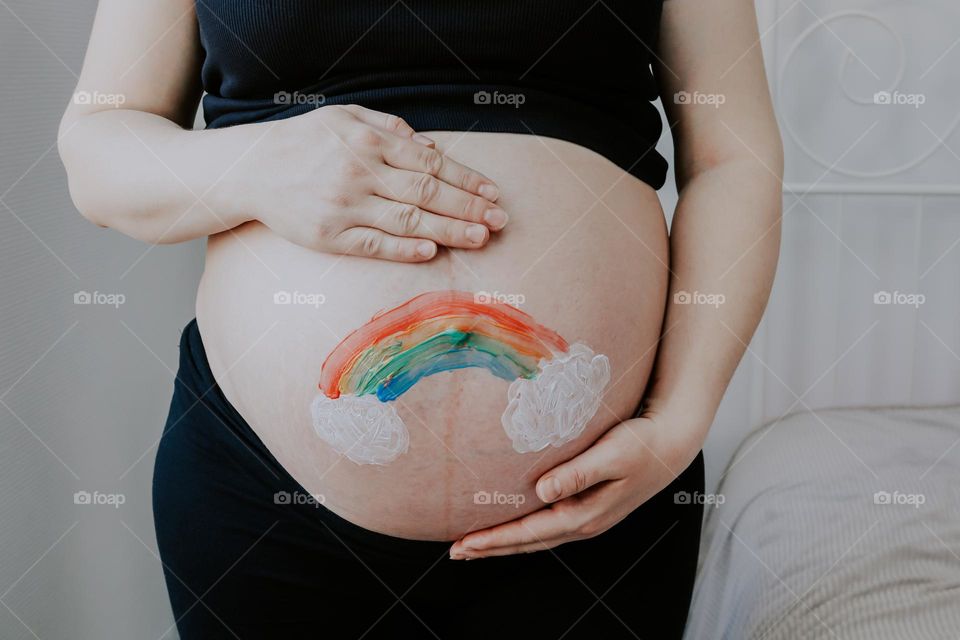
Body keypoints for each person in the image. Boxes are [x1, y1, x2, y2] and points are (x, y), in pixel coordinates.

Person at [59, 1, 782, 637]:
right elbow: (96, 149)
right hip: (261, 498)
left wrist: (679, 422)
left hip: (597, 501)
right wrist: (255, 161)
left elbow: (733, 159)